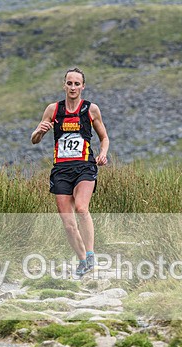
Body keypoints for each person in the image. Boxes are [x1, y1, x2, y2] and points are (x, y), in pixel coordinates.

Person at [31, 67, 109, 277]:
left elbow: (104, 137)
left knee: (82, 208)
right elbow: (34, 139)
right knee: (68, 224)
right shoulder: (53, 109)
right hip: (61, 170)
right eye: (69, 83)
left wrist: (103, 154)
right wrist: (39, 131)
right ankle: (83, 260)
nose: (73, 87)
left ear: (83, 86)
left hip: (84, 165)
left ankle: (91, 254)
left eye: (77, 83)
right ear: (63, 85)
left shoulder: (91, 110)